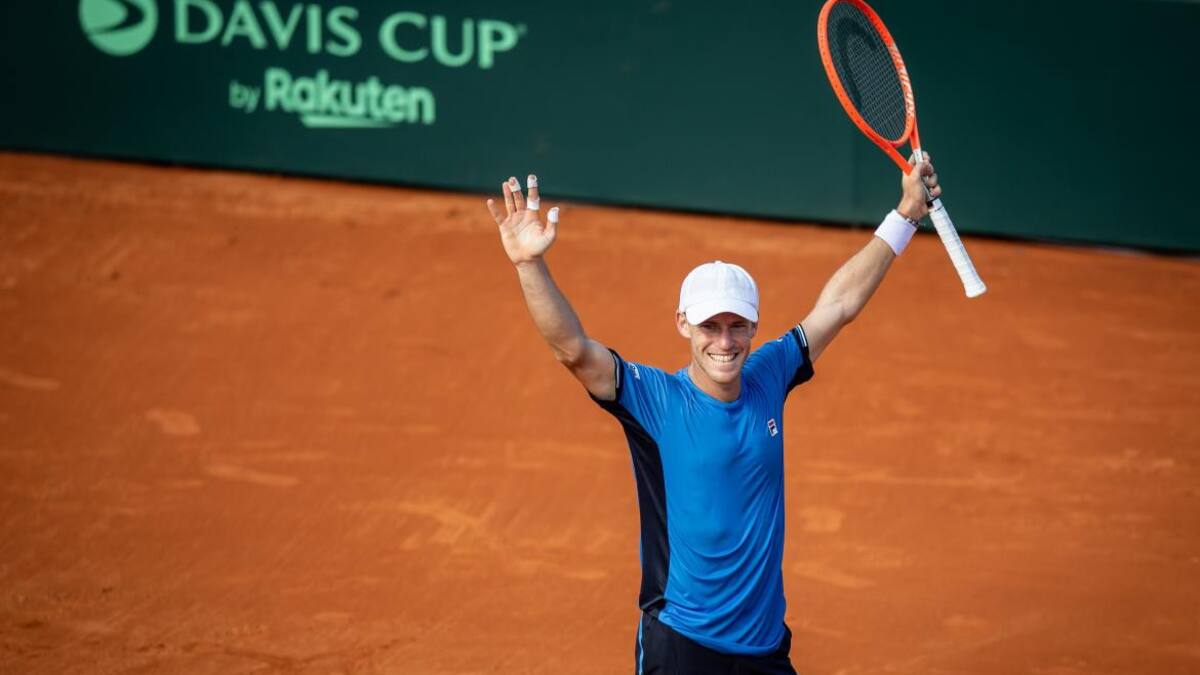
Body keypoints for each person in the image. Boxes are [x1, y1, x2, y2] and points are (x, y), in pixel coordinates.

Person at [485, 158, 940, 674]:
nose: (724, 342)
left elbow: (839, 305)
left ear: (753, 327)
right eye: (709, 326)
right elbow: (572, 349)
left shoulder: (771, 373)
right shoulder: (651, 399)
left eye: (737, 326)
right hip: (682, 644)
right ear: (683, 324)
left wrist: (905, 214)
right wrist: (529, 264)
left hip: (765, 648)